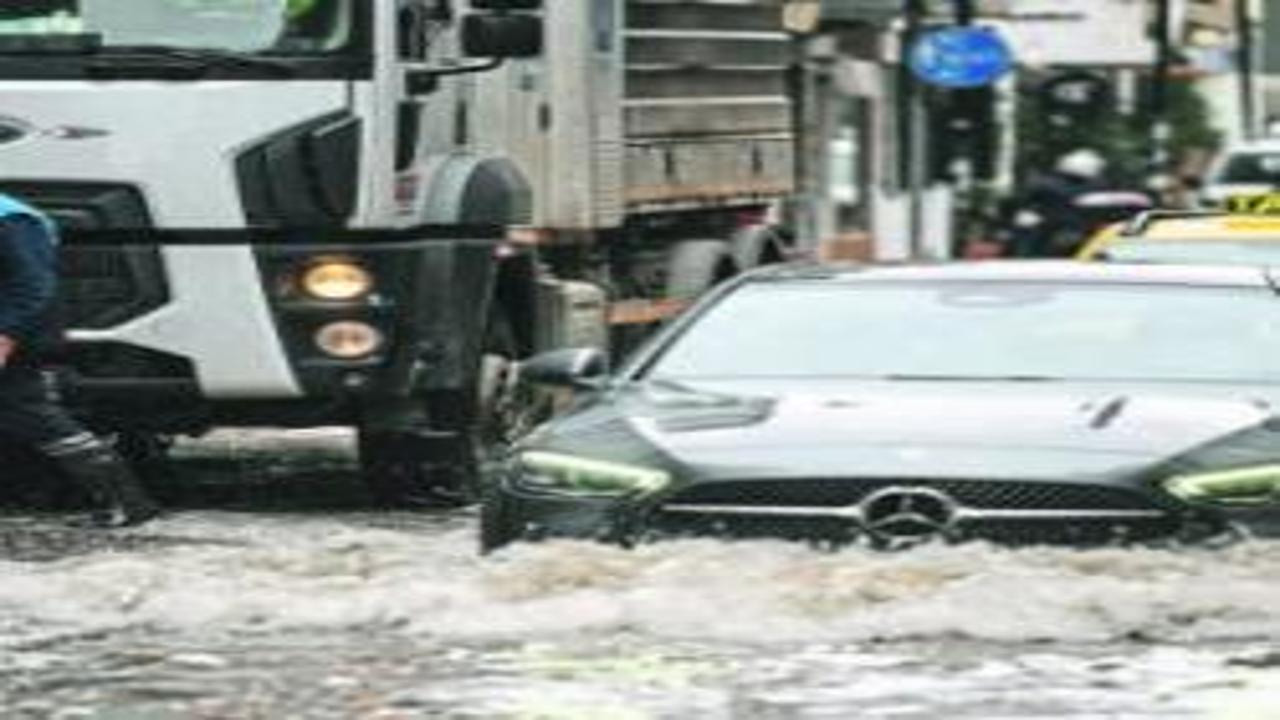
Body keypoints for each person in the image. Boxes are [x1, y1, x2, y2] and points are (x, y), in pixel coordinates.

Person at [0, 193, 160, 528]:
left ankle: (127, 502)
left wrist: (6, 335)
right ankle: (123, 502)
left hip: (16, 336)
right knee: (27, 412)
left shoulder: (13, 219)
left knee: (29, 411)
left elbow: (33, 286)